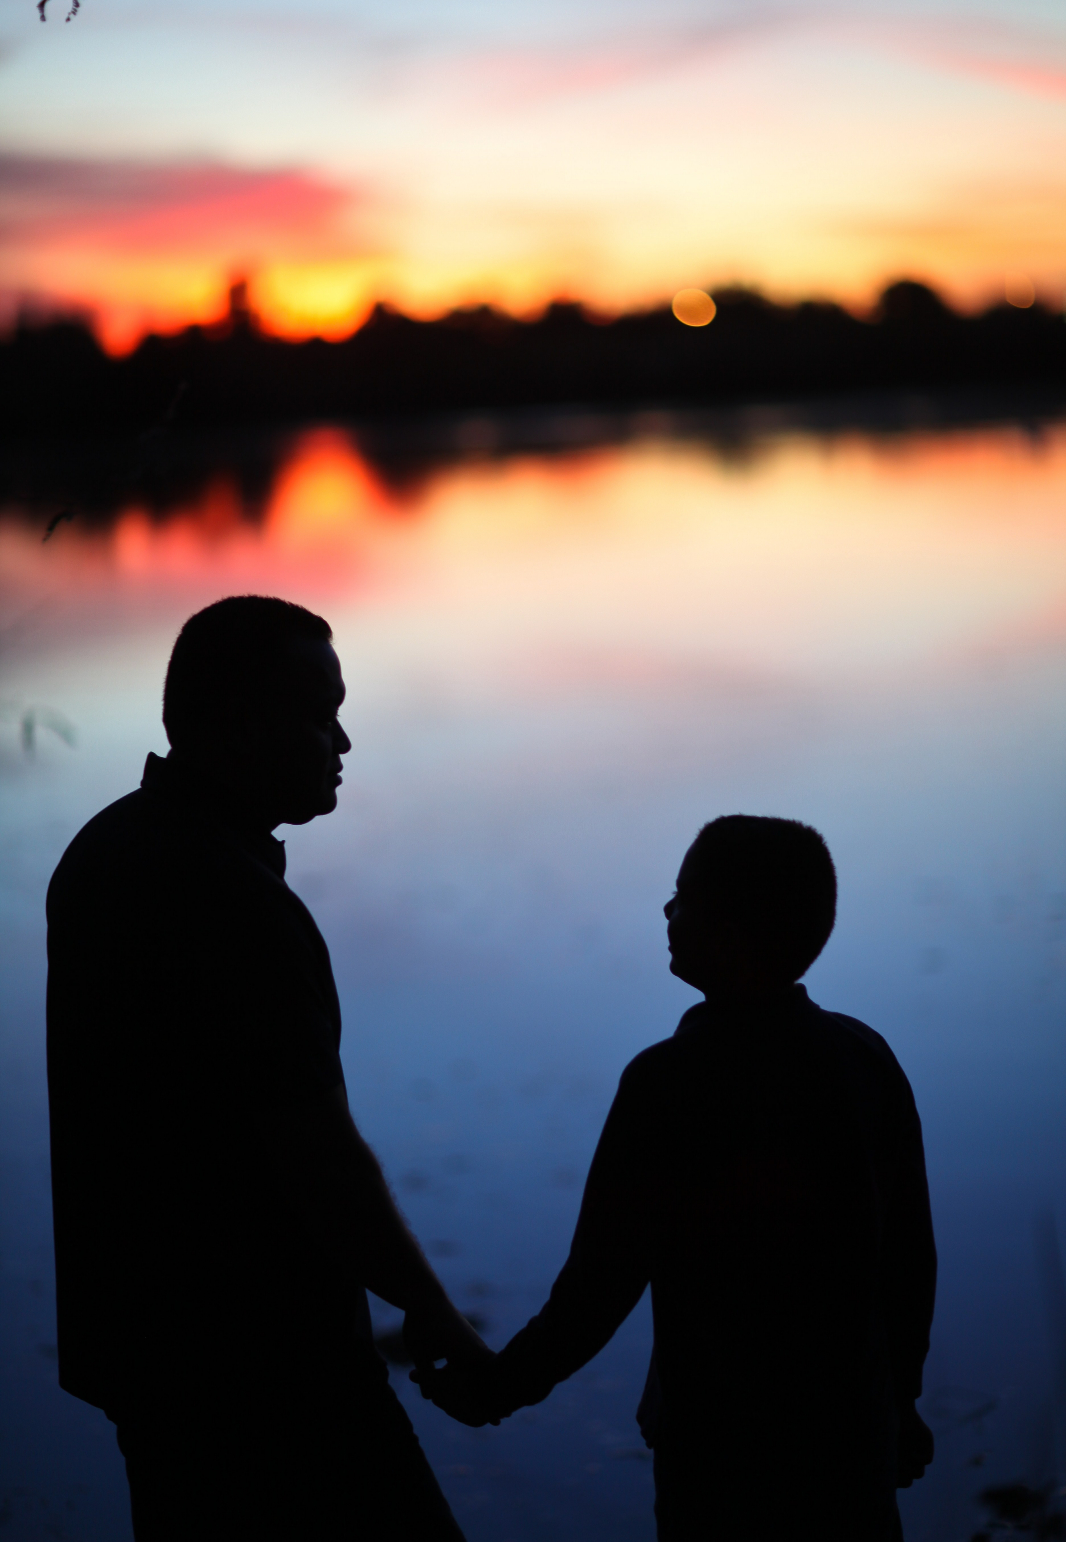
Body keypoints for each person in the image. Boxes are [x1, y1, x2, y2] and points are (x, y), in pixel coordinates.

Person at [46, 595, 484, 1542]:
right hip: (263, 1359)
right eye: (320, 713)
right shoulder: (231, 900)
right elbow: (319, 1154)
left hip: (144, 1347)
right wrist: (429, 1304)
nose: (345, 741)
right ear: (240, 726)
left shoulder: (105, 848)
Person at [417, 815, 937, 1541]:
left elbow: (600, 1283)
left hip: (722, 1451)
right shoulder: (864, 1056)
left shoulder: (668, 1082)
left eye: (682, 899)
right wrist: (901, 1403)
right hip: (849, 1440)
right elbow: (908, 1256)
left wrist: (501, 1388)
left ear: (727, 935)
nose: (666, 913)